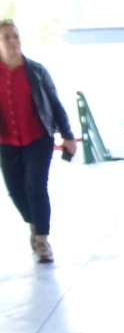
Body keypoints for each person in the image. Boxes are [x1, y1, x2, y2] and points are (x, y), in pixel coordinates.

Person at [0, 19, 77, 264]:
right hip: (6, 141)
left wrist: (67, 135)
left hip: (38, 138)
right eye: (6, 37)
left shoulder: (36, 71)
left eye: (15, 36)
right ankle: (34, 223)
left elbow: (54, 104)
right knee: (15, 191)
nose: (13, 41)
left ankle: (42, 239)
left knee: (36, 187)